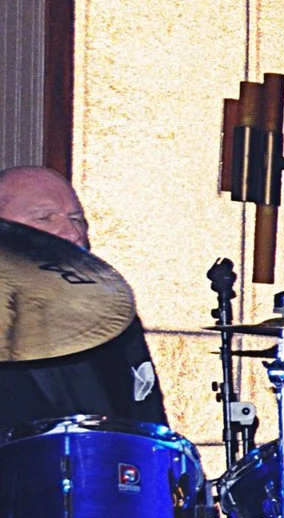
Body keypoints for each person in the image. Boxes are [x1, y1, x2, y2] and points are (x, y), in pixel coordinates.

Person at [0, 168, 165, 431]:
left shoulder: (112, 313)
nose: (72, 233)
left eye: (77, 219)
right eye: (44, 217)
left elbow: (146, 418)